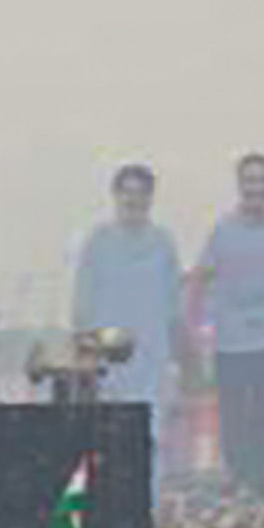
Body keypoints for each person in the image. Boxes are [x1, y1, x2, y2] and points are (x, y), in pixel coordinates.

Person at [183, 154, 264, 493]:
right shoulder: (222, 232)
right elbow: (197, 281)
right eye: (251, 181)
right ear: (240, 186)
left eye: (263, 181)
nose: (257, 189)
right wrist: (192, 329)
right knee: (234, 420)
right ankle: (238, 479)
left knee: (262, 419)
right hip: (229, 344)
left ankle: (258, 487)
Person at [68, 164, 181, 422]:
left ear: (150, 199)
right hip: (107, 359)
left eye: (140, 193)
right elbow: (82, 305)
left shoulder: (163, 243)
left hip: (151, 358)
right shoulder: (98, 241)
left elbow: (174, 307)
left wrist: (175, 363)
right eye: (127, 192)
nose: (133, 199)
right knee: (106, 431)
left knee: (148, 431)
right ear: (115, 196)